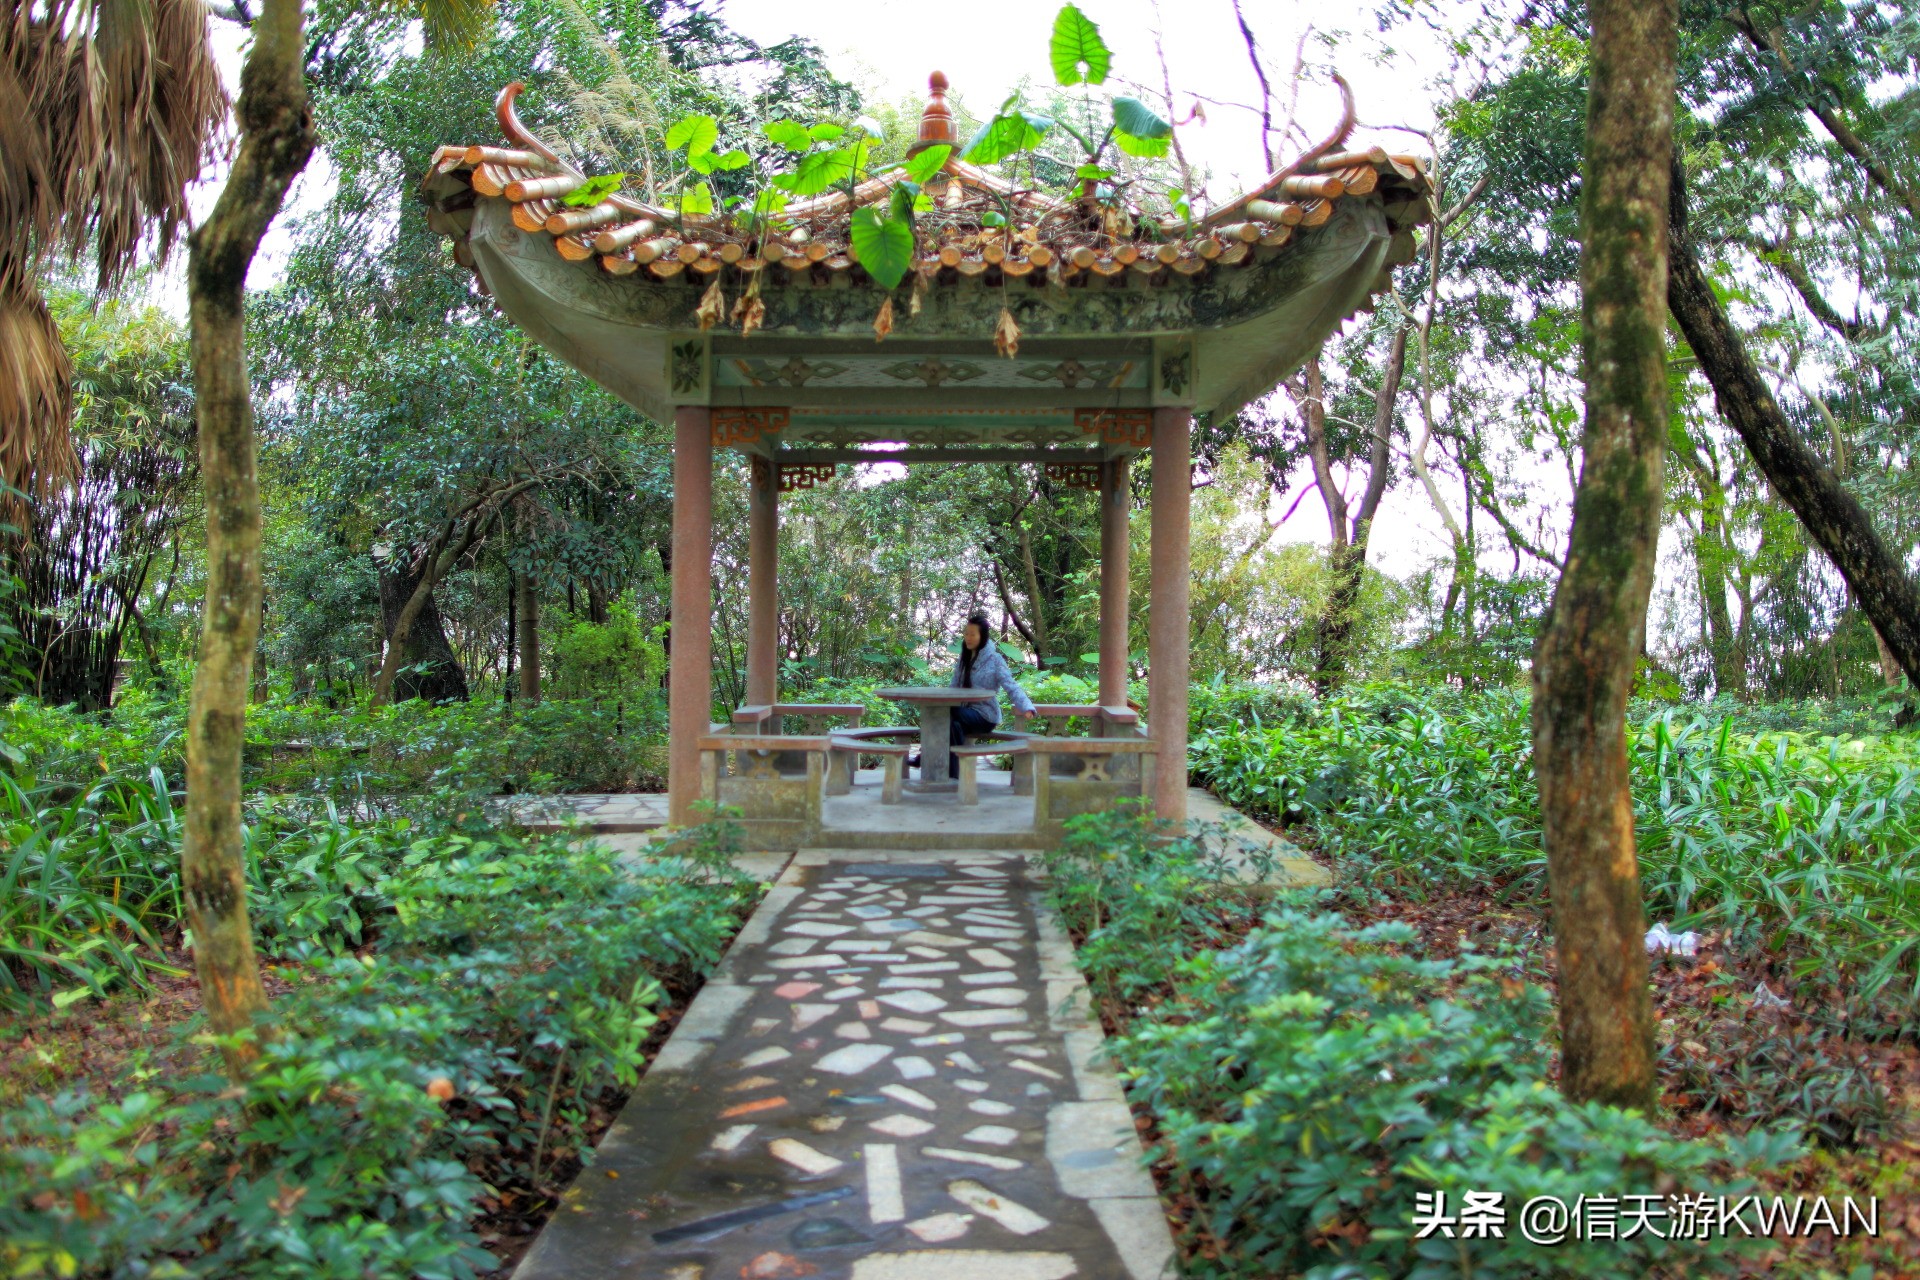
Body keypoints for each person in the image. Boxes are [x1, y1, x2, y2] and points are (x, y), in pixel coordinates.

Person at [914, 612, 1035, 779]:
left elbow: (1011, 685)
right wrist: (942, 700)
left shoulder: (995, 660)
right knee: (952, 725)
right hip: (963, 714)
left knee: (946, 712)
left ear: (982, 636)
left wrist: (1026, 706)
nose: (968, 638)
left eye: (973, 634)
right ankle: (954, 777)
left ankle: (924, 756)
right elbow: (954, 687)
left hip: (985, 716)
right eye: (966, 634)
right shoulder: (963, 658)